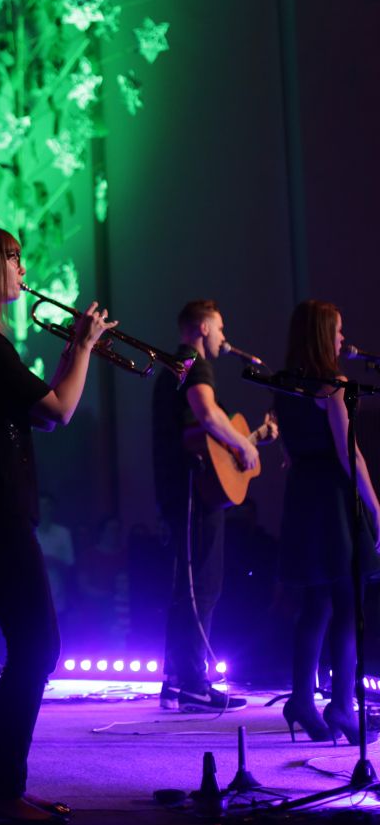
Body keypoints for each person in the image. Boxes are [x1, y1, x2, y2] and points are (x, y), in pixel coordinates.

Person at [0, 225, 114, 825]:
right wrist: (84, 346)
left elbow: (42, 402)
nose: (23, 270)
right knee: (38, 647)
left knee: (34, 646)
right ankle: (3, 797)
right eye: (13, 259)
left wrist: (71, 355)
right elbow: (58, 413)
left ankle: (5, 792)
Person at [152, 299, 276, 712]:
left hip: (179, 487)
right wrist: (244, 443)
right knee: (203, 585)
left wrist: (250, 437)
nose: (225, 337)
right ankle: (192, 684)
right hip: (194, 491)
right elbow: (207, 414)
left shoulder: (176, 366)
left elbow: (201, 432)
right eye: (220, 328)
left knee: (185, 587)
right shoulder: (194, 362)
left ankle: (175, 681)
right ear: (203, 328)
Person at [274, 300, 380, 744]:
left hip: (303, 496)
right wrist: (376, 508)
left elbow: (287, 452)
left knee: (317, 603)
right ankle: (341, 707)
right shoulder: (333, 387)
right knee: (346, 602)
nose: (342, 339)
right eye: (336, 331)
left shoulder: (284, 385)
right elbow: (349, 452)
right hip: (334, 501)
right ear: (321, 335)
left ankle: (301, 700)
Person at [35, 493, 75, 615]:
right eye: (40, 506)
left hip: (58, 598)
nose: (43, 509)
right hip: (34, 596)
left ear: (53, 508)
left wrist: (54, 561)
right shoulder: (29, 533)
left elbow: (70, 566)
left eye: (47, 505)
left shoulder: (63, 533)